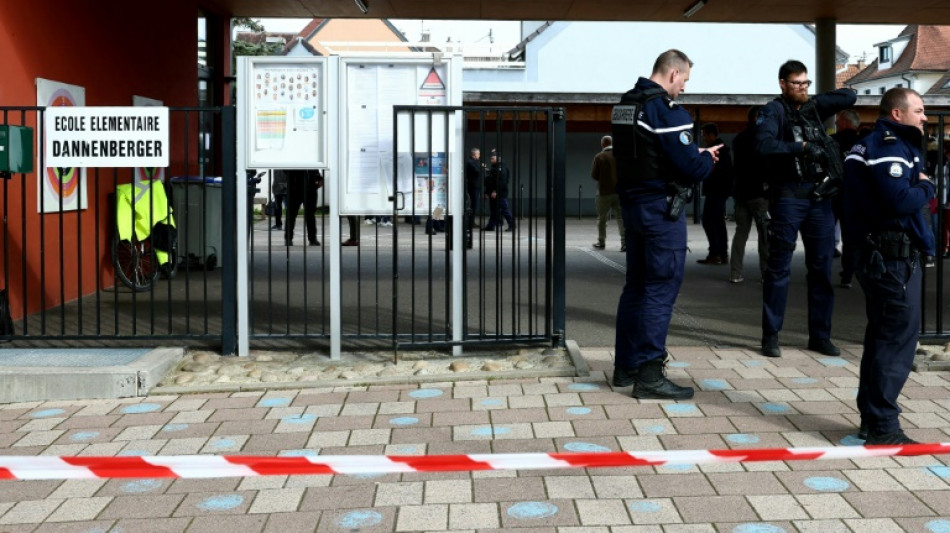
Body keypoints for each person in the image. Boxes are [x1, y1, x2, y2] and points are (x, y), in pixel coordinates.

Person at [610, 49, 721, 400]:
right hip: (660, 211)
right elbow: (690, 168)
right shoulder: (667, 110)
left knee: (636, 287)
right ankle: (650, 375)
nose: (684, 88)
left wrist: (690, 155)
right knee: (659, 290)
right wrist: (707, 159)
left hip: (633, 206)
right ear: (673, 74)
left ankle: (626, 367)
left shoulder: (626, 105)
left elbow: (649, 153)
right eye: (684, 80)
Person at [842, 87, 933, 445]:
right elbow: (898, 201)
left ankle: (872, 419)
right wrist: (926, 188)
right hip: (892, 258)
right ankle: (883, 427)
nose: (925, 117)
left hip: (880, 255)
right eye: (919, 110)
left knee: (882, 336)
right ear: (897, 113)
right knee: (896, 340)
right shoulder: (890, 147)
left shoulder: (872, 144)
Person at [756, 60, 856, 358]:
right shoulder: (773, 111)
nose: (801, 88)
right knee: (779, 268)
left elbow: (849, 96)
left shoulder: (812, 107)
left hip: (819, 197)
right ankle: (770, 336)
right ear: (782, 84)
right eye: (796, 83)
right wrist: (799, 148)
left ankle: (820, 336)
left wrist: (812, 98)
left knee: (821, 269)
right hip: (788, 195)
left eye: (805, 83)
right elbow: (763, 145)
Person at [729, 106, 770, 284]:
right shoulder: (763, 138)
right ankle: (766, 272)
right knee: (765, 234)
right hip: (759, 193)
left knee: (741, 233)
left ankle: (735, 272)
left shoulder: (738, 139)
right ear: (757, 118)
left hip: (741, 193)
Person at [831, 109, 862, 287]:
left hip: (832, 193)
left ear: (845, 122)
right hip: (855, 197)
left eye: (839, 120)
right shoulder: (863, 144)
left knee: (825, 233)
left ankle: (820, 270)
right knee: (851, 239)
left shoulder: (832, 142)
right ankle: (848, 275)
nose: (836, 123)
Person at [696, 123, 733, 264]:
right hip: (719, 190)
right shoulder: (723, 150)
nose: (703, 138)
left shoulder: (717, 150)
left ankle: (716, 253)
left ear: (711, 135)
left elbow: (718, 171)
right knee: (717, 221)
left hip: (716, 190)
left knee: (710, 220)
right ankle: (721, 253)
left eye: (704, 135)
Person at [591, 135, 625, 251]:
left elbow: (594, 175)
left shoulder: (599, 156)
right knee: (621, 218)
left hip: (604, 192)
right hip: (619, 192)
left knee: (602, 219)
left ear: (603, 144)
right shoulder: (620, 156)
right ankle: (624, 243)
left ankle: (601, 241)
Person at [282, 169, 322, 247]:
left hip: (310, 188)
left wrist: (319, 177)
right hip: (295, 187)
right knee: (291, 214)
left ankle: (312, 239)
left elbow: (315, 167)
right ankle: (288, 238)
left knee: (310, 215)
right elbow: (285, 169)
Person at [482, 148, 514, 232]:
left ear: (498, 158)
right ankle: (490, 226)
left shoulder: (501, 168)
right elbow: (491, 180)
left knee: (505, 209)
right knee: (494, 211)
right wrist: (487, 192)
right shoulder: (495, 167)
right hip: (494, 193)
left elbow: (501, 181)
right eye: (491, 158)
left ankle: (512, 225)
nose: (491, 160)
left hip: (500, 193)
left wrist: (495, 191)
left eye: (493, 158)